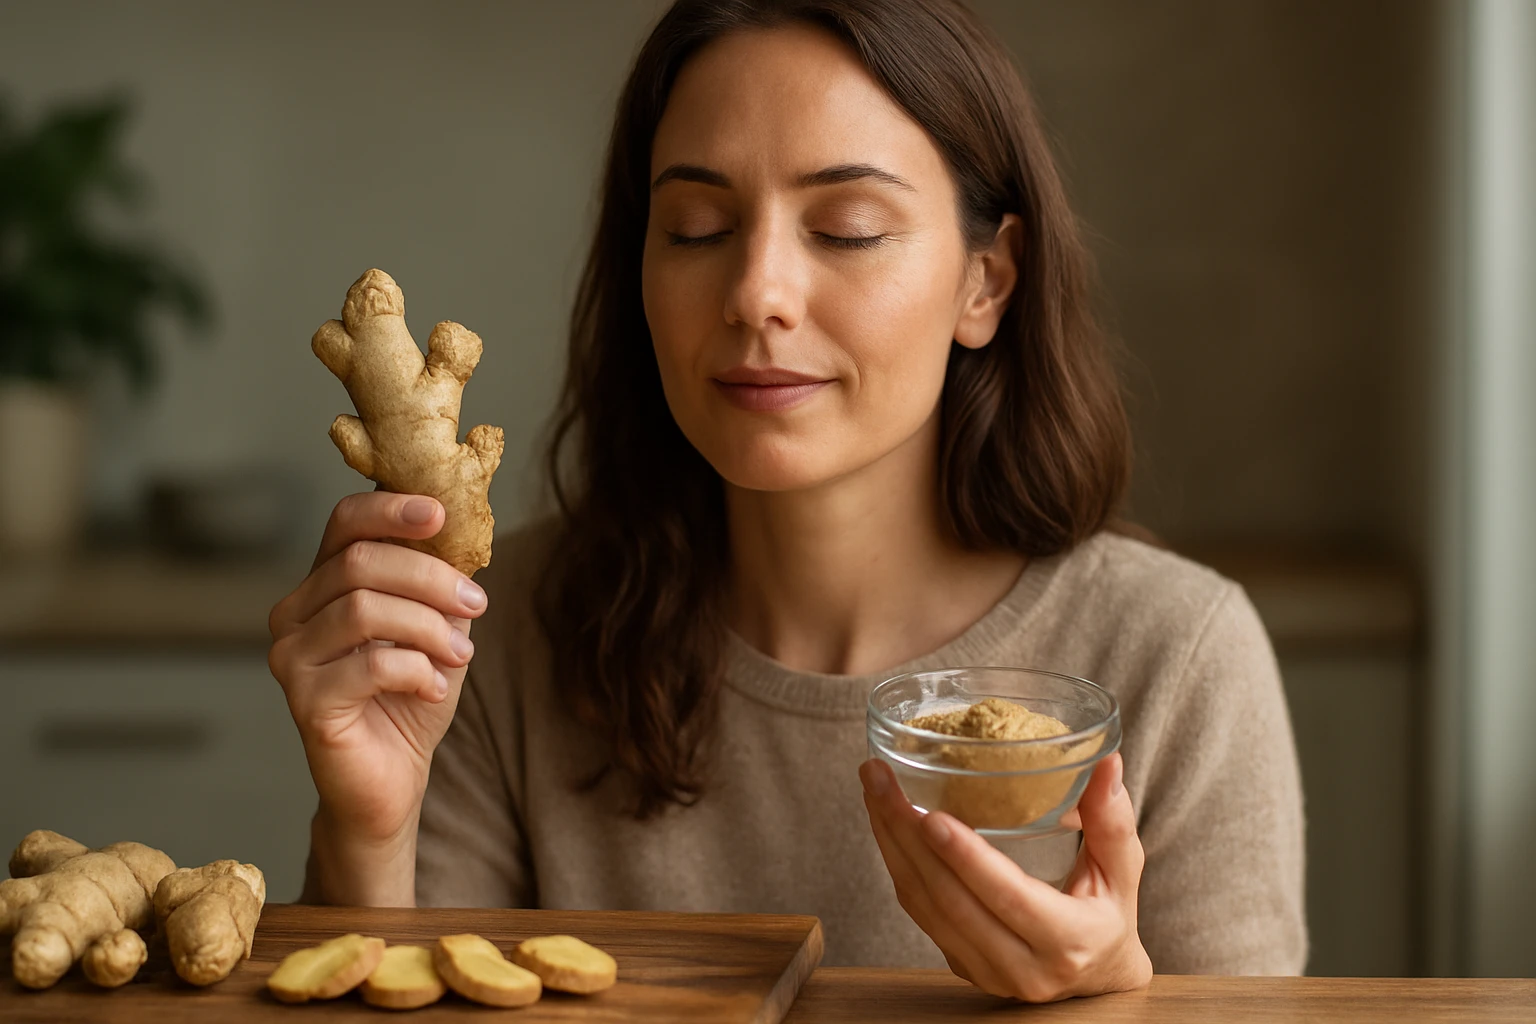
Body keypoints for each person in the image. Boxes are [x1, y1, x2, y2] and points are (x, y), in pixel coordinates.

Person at [267, 0, 1306, 1001]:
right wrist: (367, 829)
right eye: (696, 226)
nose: (756, 292)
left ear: (986, 282)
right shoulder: (491, 634)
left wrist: (1115, 990)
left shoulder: (1179, 656)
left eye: (847, 228)